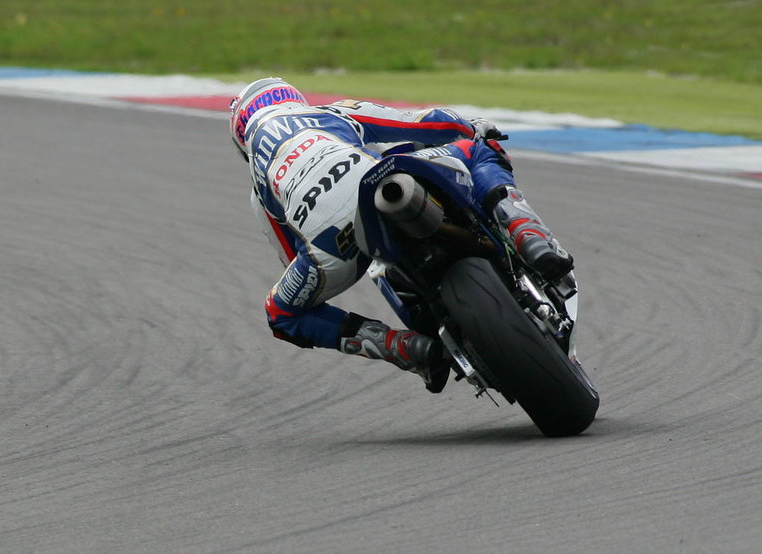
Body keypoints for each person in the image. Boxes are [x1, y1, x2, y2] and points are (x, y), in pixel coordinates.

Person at [229, 77, 573, 391]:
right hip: (374, 180)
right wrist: (470, 128)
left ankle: (406, 349)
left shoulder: (259, 192)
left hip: (332, 243)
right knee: (479, 151)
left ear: (243, 142)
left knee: (281, 313)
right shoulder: (326, 112)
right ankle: (527, 234)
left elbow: (291, 256)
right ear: (292, 98)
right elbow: (422, 123)